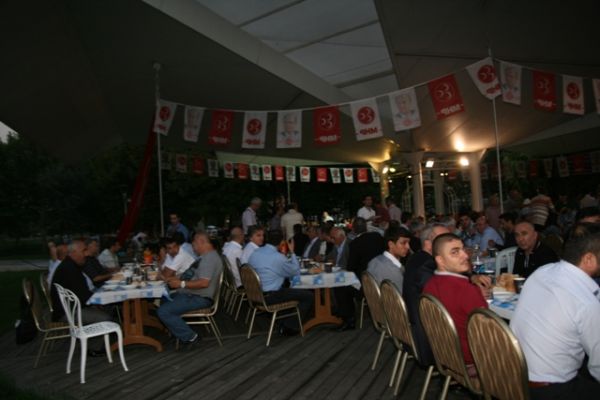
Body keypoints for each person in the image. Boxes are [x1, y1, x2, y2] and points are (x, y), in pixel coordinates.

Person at [511, 223, 600, 399]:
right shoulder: (586, 302)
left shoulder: (542, 272)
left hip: (513, 374)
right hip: (548, 391)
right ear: (588, 259)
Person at [422, 233, 488, 373]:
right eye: (455, 252)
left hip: (446, 356)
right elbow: (489, 332)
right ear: (440, 260)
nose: (465, 255)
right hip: (473, 361)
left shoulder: (429, 285)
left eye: (463, 249)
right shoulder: (466, 290)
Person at [157, 232, 223, 347]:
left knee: (163, 311)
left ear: (201, 242)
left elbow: (204, 283)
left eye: (194, 244)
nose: (192, 247)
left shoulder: (209, 259)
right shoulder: (204, 257)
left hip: (200, 297)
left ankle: (192, 337)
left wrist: (181, 284)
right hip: (192, 294)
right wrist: (172, 279)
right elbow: (188, 275)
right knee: (163, 300)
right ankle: (177, 333)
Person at [403, 223, 450, 366]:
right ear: (428, 244)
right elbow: (444, 300)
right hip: (429, 336)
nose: (449, 243)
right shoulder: (427, 266)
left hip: (416, 325)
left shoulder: (417, 258)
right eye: (443, 239)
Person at [248, 238, 313, 335]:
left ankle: (283, 320)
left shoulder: (254, 253)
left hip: (256, 295)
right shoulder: (278, 257)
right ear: (281, 242)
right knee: (308, 296)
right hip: (271, 297)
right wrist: (292, 252)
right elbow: (295, 272)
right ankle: (289, 326)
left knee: (289, 289)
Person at [334, 217, 385, 331]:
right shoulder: (378, 237)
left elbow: (351, 267)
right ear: (366, 227)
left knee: (341, 287)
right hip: (384, 282)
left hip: (368, 286)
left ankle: (349, 320)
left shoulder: (355, 244)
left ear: (354, 230)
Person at [50, 240, 111, 323]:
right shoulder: (69, 269)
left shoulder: (71, 265)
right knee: (106, 318)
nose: (86, 254)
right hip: (68, 313)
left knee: (108, 308)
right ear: (73, 253)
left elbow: (83, 294)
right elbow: (83, 295)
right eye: (84, 251)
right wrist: (102, 299)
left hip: (73, 307)